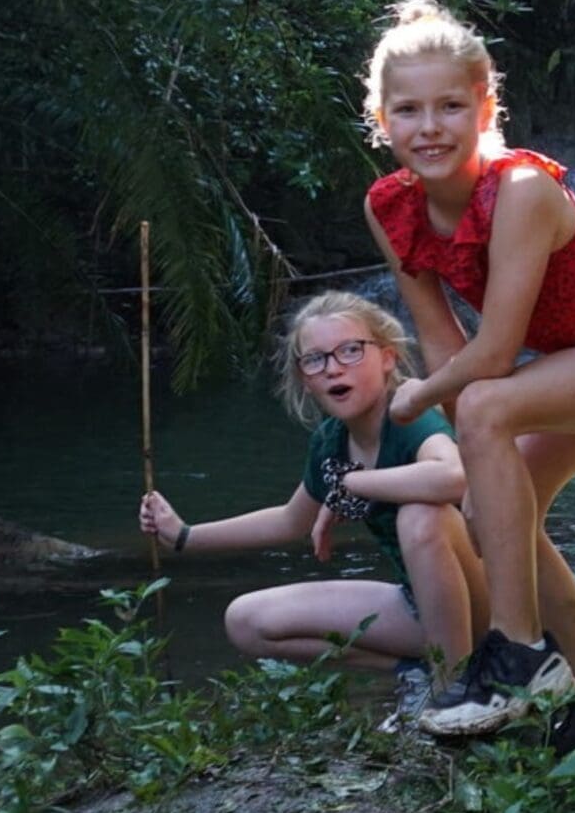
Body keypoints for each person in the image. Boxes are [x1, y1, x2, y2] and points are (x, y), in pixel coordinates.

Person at [363, 0, 575, 737]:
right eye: (409, 110)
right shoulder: (391, 205)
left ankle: (517, 654)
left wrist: (421, 397)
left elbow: (488, 357)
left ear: (486, 107)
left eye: (451, 105)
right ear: (380, 118)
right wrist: (471, 446)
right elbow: (439, 336)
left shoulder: (520, 189)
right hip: (571, 360)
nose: (430, 127)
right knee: (490, 516)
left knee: (487, 405)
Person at [135, 293, 484, 711]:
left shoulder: (409, 410)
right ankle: (414, 671)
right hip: (424, 607)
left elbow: (456, 477)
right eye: (315, 360)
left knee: (420, 515)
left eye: (350, 351)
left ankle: (454, 690)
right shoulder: (332, 442)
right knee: (246, 622)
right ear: (305, 378)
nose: (333, 367)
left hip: (489, 604)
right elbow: (289, 520)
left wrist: (355, 485)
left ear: (388, 357)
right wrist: (183, 535)